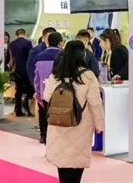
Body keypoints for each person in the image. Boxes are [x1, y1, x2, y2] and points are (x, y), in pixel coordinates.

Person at [44, 40, 105, 183]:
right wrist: (100, 125)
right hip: (80, 125)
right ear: (82, 54)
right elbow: (95, 104)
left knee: (62, 164)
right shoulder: (88, 76)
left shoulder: (56, 74)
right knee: (76, 166)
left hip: (58, 122)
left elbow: (47, 97)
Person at [33, 32, 64, 144]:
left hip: (43, 91)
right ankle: (57, 138)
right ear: (60, 42)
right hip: (60, 92)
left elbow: (36, 77)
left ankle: (43, 136)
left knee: (43, 113)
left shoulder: (39, 56)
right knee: (59, 115)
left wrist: (37, 91)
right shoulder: (63, 55)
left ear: (47, 41)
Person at [7, 28, 34, 117]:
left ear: (16, 34)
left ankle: (18, 110)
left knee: (18, 91)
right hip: (26, 70)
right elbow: (31, 56)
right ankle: (30, 110)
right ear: (25, 33)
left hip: (16, 70)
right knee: (29, 90)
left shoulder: (11, 44)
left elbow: (11, 58)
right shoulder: (28, 43)